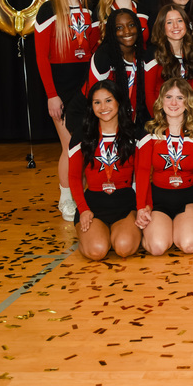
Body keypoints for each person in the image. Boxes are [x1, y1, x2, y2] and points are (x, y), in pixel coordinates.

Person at [34, 0, 98, 221]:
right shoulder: (48, 10)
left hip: (84, 88)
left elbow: (93, 50)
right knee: (69, 147)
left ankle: (83, 194)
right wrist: (51, 95)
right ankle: (66, 199)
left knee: (85, 146)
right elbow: (41, 56)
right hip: (60, 88)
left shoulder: (90, 11)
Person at [134, 78, 193, 255]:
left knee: (188, 245)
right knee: (157, 247)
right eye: (168, 97)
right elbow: (142, 172)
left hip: (188, 198)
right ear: (161, 101)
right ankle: (156, 230)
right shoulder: (149, 132)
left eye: (180, 97)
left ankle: (182, 229)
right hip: (157, 200)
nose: (174, 103)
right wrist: (141, 207)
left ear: (188, 102)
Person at [68, 80, 141, 260]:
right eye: (97, 102)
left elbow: (142, 174)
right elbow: (74, 177)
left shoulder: (135, 134)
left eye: (108, 100)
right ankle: (97, 236)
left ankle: (122, 232)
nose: (103, 107)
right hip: (93, 205)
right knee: (97, 250)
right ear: (91, 106)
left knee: (124, 247)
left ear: (118, 102)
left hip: (125, 203)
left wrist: (142, 207)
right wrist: (83, 209)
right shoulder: (81, 135)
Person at [143, 3, 193, 120]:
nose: (175, 26)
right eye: (169, 22)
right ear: (162, 27)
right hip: (160, 117)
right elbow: (149, 93)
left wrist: (188, 118)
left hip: (189, 116)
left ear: (186, 24)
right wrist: (159, 119)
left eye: (179, 21)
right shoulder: (153, 53)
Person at [84, 9, 147, 127]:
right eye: (119, 28)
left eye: (131, 25)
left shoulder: (142, 56)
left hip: (124, 119)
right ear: (112, 31)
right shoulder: (103, 56)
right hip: (90, 114)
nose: (127, 31)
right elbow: (94, 97)